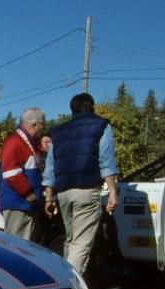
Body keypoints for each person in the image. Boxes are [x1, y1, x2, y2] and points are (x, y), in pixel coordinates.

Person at [43, 93, 119, 275]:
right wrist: (113, 192)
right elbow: (106, 162)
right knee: (81, 244)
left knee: (70, 240)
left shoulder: (58, 131)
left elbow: (50, 167)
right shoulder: (101, 126)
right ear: (92, 107)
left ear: (72, 109)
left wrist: (48, 197)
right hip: (87, 189)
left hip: (63, 192)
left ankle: (65, 281)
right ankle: (68, 286)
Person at [0, 107, 47, 242]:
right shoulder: (15, 142)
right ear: (34, 125)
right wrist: (29, 194)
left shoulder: (30, 143)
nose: (43, 130)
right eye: (43, 126)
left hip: (27, 205)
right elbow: (11, 174)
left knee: (26, 247)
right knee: (15, 247)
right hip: (18, 205)